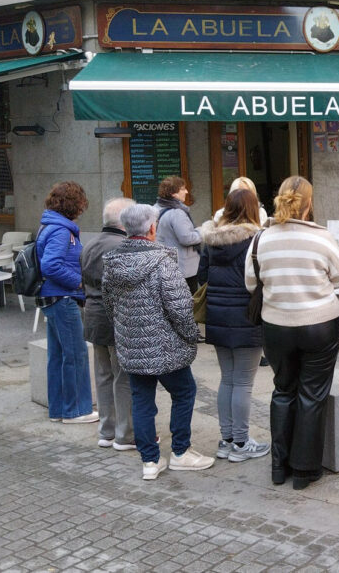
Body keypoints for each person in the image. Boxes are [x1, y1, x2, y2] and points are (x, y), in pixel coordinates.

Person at [245, 176, 339, 490]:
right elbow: (338, 277)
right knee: (312, 394)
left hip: (276, 325)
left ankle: (278, 466)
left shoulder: (262, 239)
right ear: (309, 203)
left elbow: (251, 282)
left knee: (283, 389)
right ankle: (304, 470)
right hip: (319, 324)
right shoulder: (322, 237)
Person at [103, 203, 215, 480]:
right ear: (152, 228)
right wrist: (191, 336)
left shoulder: (112, 262)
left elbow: (109, 305)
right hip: (165, 347)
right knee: (185, 391)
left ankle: (150, 462)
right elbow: (179, 307)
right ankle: (180, 451)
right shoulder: (162, 262)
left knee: (141, 400)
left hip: (131, 346)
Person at [198, 189, 271, 463]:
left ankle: (226, 440)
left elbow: (202, 277)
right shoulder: (257, 240)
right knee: (243, 381)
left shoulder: (211, 241)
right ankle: (241, 443)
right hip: (246, 317)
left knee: (227, 379)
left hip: (217, 316)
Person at [36, 181, 97, 424]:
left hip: (53, 298)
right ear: (73, 204)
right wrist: (79, 282)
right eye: (81, 203)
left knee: (58, 355)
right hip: (64, 298)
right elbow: (50, 265)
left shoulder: (50, 225)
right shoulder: (62, 231)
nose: (83, 207)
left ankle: (59, 409)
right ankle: (76, 410)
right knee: (75, 355)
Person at [81, 196, 136, 449]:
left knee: (103, 375)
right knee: (122, 377)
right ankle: (125, 434)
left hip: (93, 317)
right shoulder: (122, 246)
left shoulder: (90, 244)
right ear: (125, 220)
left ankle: (107, 431)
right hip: (116, 319)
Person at [155, 176, 202, 294]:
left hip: (164, 266)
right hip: (184, 269)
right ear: (173, 193)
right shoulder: (177, 213)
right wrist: (202, 232)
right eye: (183, 189)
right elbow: (186, 238)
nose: (186, 191)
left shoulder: (155, 208)